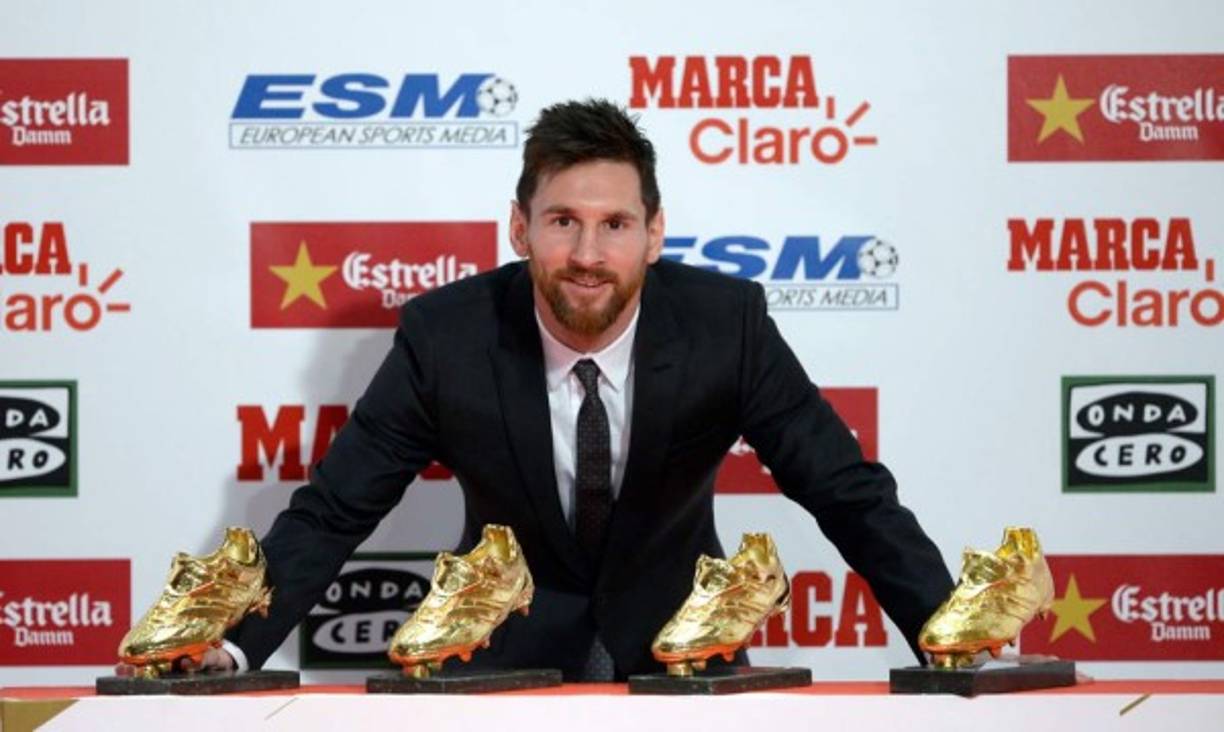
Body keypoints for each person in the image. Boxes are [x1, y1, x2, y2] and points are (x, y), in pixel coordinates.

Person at [210, 98, 953, 680]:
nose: (589, 256)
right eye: (563, 221)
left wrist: (951, 641)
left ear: (655, 234)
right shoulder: (447, 338)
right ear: (519, 228)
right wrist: (231, 648)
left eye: (616, 224)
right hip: (499, 668)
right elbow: (335, 510)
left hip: (685, 665)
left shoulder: (727, 327)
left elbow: (846, 492)